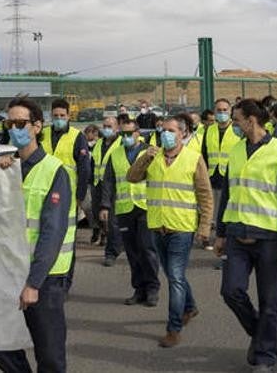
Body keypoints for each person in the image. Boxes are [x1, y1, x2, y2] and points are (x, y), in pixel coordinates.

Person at [215, 99, 277, 373]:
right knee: (231, 291)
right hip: (236, 234)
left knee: (269, 301)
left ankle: (265, 357)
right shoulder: (236, 150)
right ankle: (259, 332)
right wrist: (219, 233)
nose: (234, 124)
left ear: (251, 120)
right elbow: (229, 193)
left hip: (269, 238)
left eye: (237, 119)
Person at [0, 97, 75, 373]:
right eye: (9, 122)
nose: (13, 128)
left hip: (45, 278)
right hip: (10, 271)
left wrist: (34, 283)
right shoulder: (5, 169)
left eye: (20, 123)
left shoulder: (54, 171)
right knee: (2, 349)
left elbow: (52, 233)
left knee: (49, 356)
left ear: (37, 126)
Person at [126, 114, 214, 348]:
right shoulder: (152, 157)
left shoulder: (193, 159)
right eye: (163, 130)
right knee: (174, 275)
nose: (166, 134)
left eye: (171, 130)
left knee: (174, 277)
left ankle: (173, 328)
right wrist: (145, 157)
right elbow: (132, 177)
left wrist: (205, 226)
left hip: (181, 228)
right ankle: (190, 306)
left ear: (183, 134)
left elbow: (205, 195)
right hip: (157, 226)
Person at [100, 115, 160, 306]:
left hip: (145, 207)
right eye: (123, 133)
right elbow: (108, 181)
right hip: (125, 209)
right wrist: (105, 206)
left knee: (147, 249)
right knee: (132, 252)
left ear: (137, 133)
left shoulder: (149, 152)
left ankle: (152, 288)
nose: (126, 137)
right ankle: (138, 289)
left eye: (129, 133)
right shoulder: (115, 154)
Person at [202, 98, 243, 268]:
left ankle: (229, 254)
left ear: (230, 111)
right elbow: (204, 153)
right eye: (219, 110)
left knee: (229, 218)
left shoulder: (237, 130)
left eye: (225, 110)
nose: (222, 113)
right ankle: (221, 250)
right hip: (213, 177)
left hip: (232, 178)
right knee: (217, 217)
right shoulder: (209, 130)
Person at [39, 98, 92, 210]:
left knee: (68, 226)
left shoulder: (77, 136)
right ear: (51, 116)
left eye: (62, 115)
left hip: (68, 192)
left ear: (68, 116)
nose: (59, 118)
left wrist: (80, 195)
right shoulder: (42, 134)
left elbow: (84, 169)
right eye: (56, 115)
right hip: (44, 190)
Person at [94, 115, 125, 263]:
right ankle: (114, 239)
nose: (106, 129)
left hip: (114, 186)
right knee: (97, 216)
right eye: (104, 126)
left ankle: (111, 253)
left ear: (117, 128)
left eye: (109, 127)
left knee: (112, 220)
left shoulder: (121, 143)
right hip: (97, 185)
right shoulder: (99, 143)